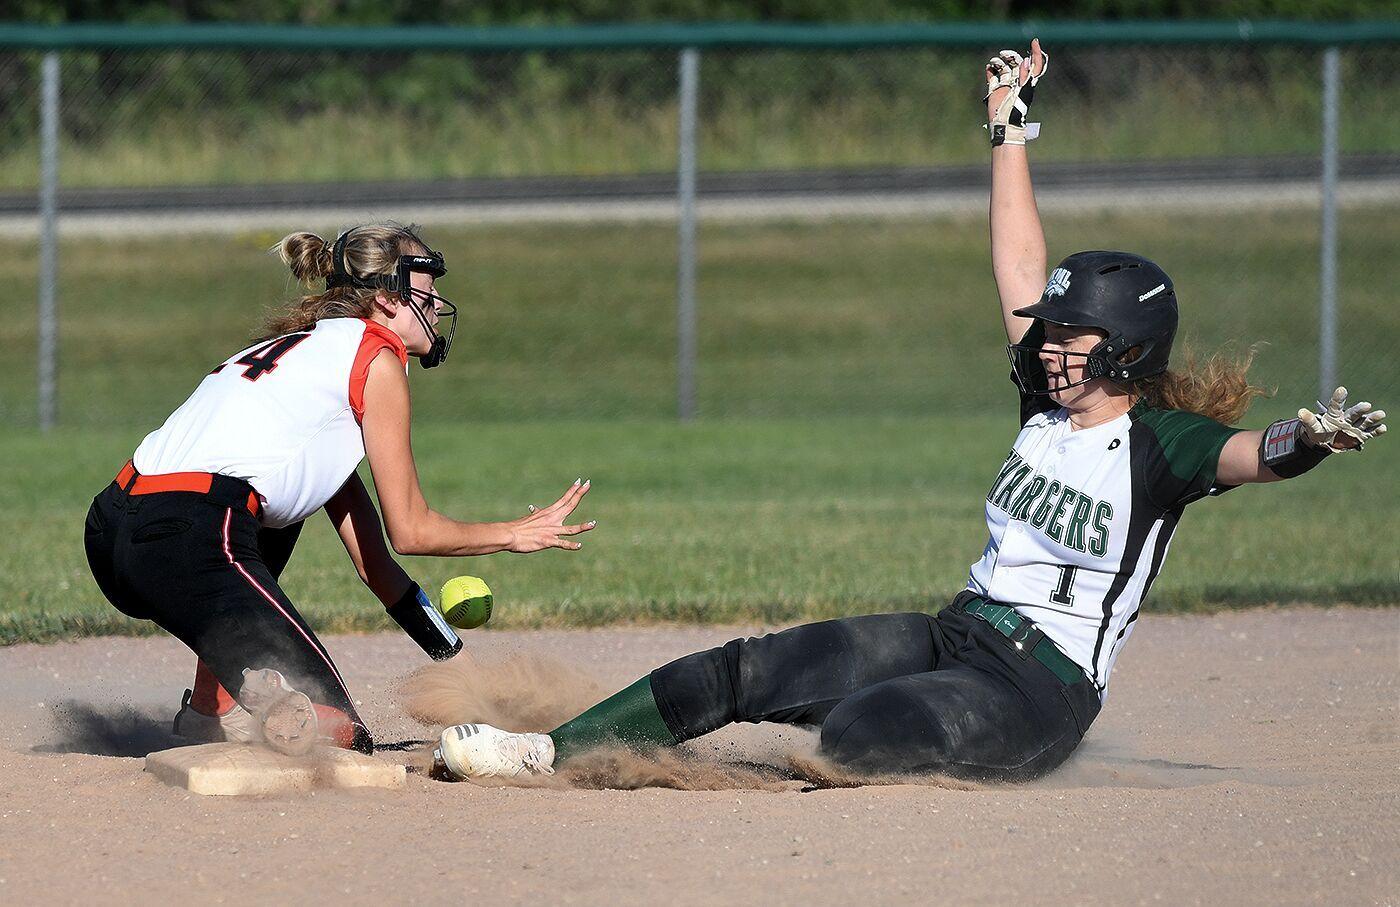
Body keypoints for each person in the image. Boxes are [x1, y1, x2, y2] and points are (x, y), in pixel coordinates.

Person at [430, 42, 1387, 783]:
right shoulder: (1045, 405)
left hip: (1038, 693)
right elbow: (1018, 265)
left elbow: (1249, 454)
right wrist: (1008, 128)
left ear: (1129, 350)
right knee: (749, 670)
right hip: (957, 634)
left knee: (859, 729)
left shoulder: (1157, 444)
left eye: (1074, 336)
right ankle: (548, 753)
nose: (1051, 347)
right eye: (1050, 334)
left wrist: (1307, 440)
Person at [83, 222, 595, 755]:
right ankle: (274, 701)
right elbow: (412, 530)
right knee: (341, 737)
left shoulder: (304, 359)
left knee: (279, 512)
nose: (439, 301)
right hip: (189, 536)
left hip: (113, 526)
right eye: (426, 286)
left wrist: (466, 673)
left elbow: (378, 567)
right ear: (386, 298)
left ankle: (209, 712)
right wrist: (513, 534)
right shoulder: (376, 358)